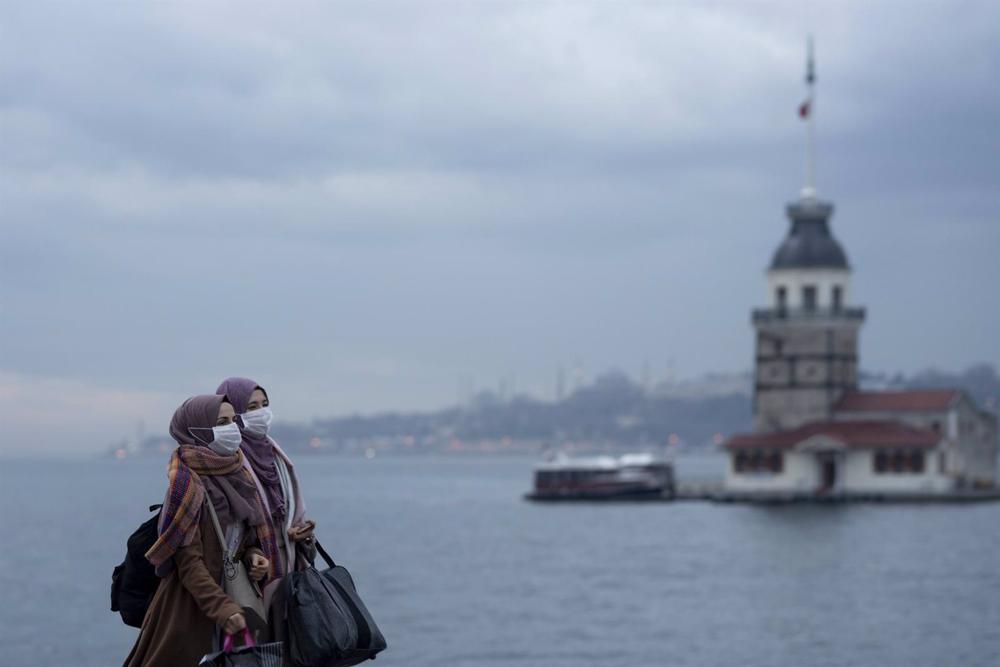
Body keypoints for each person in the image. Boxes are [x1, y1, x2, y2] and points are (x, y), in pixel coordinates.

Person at [124, 395, 283, 667]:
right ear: (195, 430)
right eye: (221, 422)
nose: (232, 428)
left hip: (235, 604)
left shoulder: (237, 474)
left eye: (233, 420)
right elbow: (188, 563)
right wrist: (222, 608)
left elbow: (238, 540)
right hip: (192, 609)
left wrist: (253, 556)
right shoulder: (186, 486)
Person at [216, 377, 315, 584]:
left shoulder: (274, 454)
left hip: (288, 564)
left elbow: (288, 510)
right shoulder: (228, 461)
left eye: (265, 405)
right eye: (252, 407)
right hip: (250, 573)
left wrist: (299, 530)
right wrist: (251, 552)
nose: (262, 412)